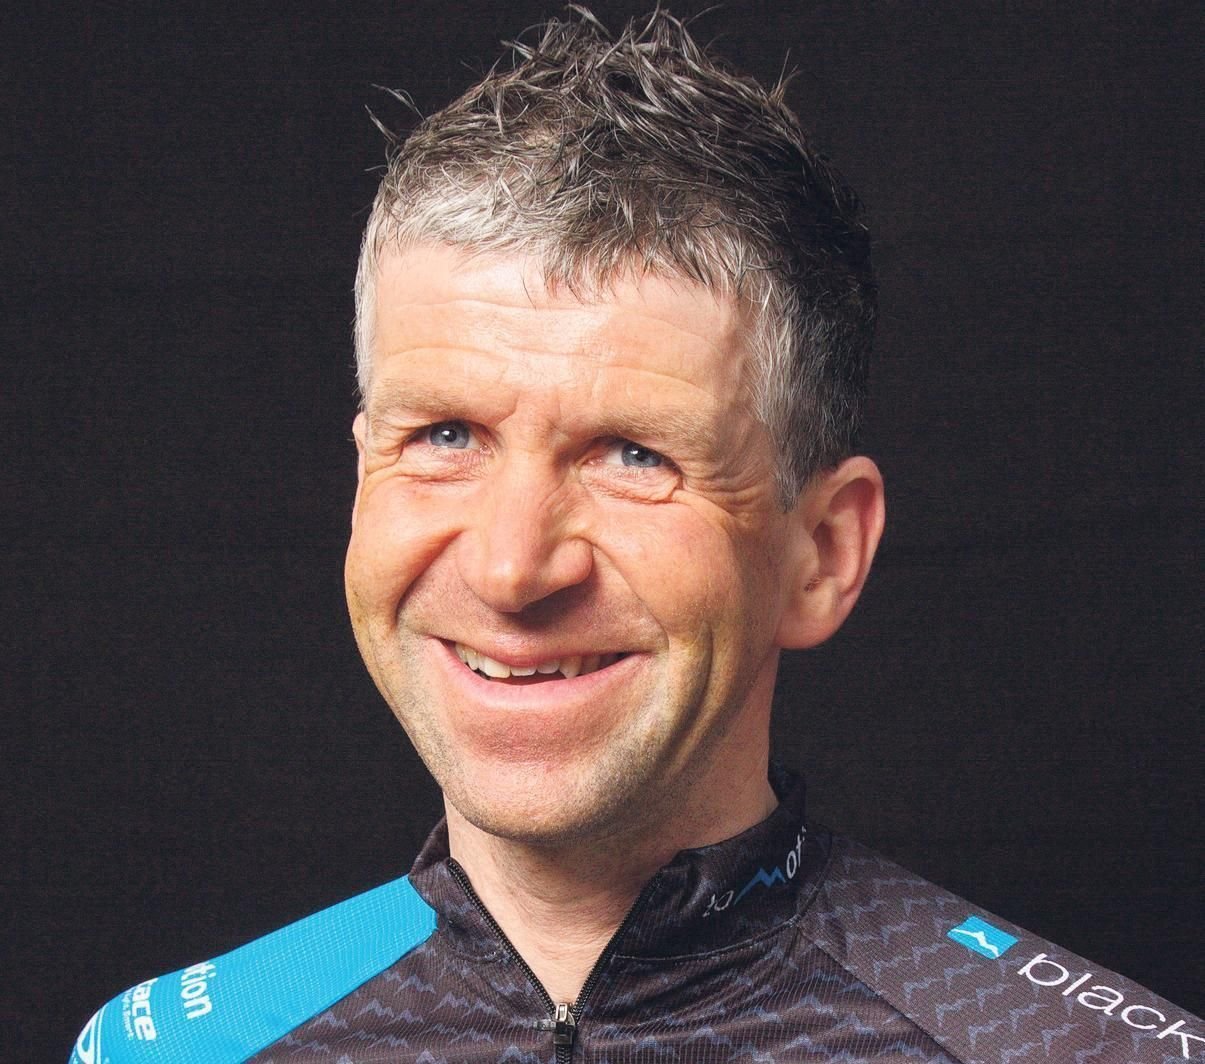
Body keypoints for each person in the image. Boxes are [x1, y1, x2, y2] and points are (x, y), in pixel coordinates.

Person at [69, 8, 1201, 1063]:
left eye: (632, 455)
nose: (511, 566)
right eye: (445, 434)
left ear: (821, 554)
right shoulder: (162, 1050)